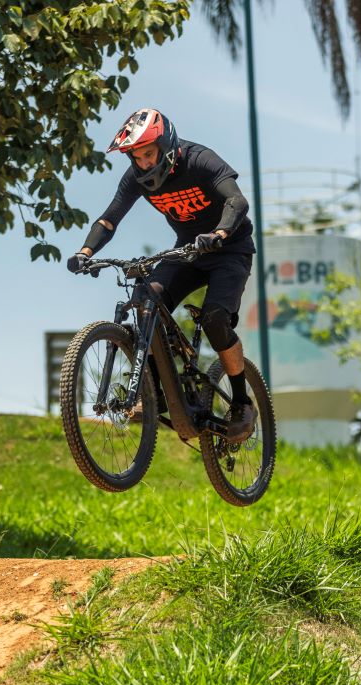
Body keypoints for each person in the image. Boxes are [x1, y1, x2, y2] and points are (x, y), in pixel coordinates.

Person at [67, 108, 257, 441]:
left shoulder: (200, 160)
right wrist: (85, 253)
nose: (143, 163)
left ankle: (242, 403)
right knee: (145, 299)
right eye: (136, 158)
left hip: (229, 250)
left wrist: (221, 234)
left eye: (149, 154)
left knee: (215, 319)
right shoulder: (136, 179)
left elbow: (237, 202)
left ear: (166, 144)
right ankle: (150, 391)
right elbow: (109, 219)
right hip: (186, 251)